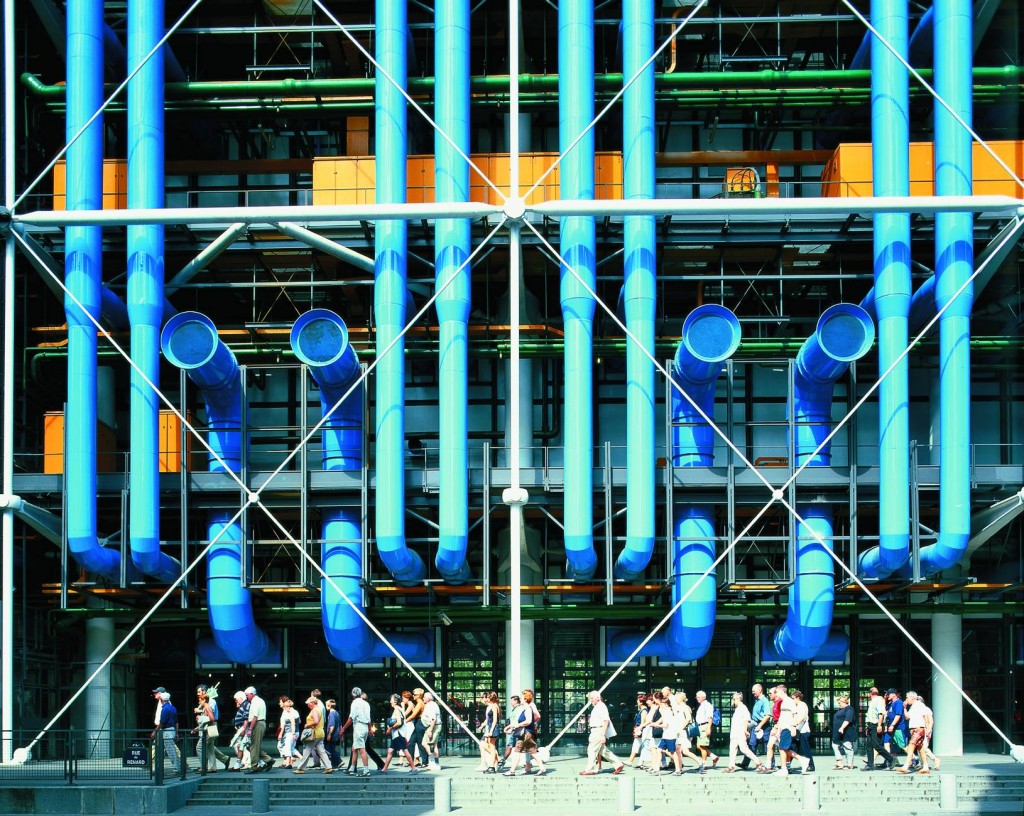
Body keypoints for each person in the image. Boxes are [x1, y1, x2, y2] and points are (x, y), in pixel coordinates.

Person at [579, 690, 624, 776]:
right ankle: (618, 764)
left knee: (592, 750)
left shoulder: (601, 707)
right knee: (603, 751)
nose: (590, 700)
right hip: (596, 730)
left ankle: (589, 769)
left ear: (597, 698)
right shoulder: (598, 706)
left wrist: (602, 734)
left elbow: (606, 721)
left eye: (592, 698)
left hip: (598, 730)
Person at [772, 685, 811, 776]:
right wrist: (778, 729)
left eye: (776, 692)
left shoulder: (789, 702)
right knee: (784, 748)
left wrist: (793, 727)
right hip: (785, 727)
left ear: (782, 692)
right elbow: (782, 717)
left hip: (788, 727)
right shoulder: (784, 702)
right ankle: (799, 761)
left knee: (782, 748)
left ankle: (785, 768)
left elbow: (794, 715)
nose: (775, 694)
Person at [896, 691, 935, 775]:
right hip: (915, 729)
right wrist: (904, 708)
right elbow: (907, 717)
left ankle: (906, 766)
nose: (906, 699)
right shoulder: (913, 706)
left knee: (911, 746)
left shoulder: (920, 705)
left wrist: (928, 728)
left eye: (907, 698)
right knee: (920, 749)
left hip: (919, 729)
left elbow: (926, 716)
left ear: (912, 697)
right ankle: (925, 766)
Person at [293, 696, 332, 774]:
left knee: (306, 750)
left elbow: (316, 721)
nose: (308, 705)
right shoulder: (319, 709)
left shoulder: (314, 710)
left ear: (313, 703)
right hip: (320, 733)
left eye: (309, 703)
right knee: (321, 751)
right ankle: (328, 767)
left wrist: (307, 725)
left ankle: (301, 768)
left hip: (314, 733)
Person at [194, 687, 230, 772]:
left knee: (200, 747)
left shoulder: (210, 703)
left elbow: (211, 717)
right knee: (210, 747)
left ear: (204, 692)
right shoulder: (206, 704)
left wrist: (200, 715)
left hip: (210, 726)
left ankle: (204, 766)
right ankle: (215, 765)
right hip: (208, 726)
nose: (198, 694)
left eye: (199, 692)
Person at [724, 691, 761, 772]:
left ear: (739, 699)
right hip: (734, 733)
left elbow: (746, 720)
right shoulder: (737, 709)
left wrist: (745, 730)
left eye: (734, 699)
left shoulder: (743, 708)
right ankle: (731, 766)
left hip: (740, 732)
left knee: (744, 749)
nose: (733, 701)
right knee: (732, 750)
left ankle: (758, 762)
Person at [381, 693, 418, 774]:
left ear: (395, 701)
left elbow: (399, 722)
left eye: (391, 699)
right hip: (398, 734)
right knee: (390, 751)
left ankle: (414, 768)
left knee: (405, 750)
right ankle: (384, 769)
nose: (390, 701)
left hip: (398, 734)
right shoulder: (400, 708)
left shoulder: (397, 709)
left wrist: (390, 728)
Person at [341, 686, 374, 777]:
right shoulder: (366, 704)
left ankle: (366, 770)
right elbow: (368, 718)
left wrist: (343, 728)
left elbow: (351, 717)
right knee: (354, 748)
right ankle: (352, 768)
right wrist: (370, 729)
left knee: (361, 749)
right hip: (365, 727)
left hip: (358, 726)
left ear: (353, 694)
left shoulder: (354, 703)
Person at [242, 686, 275, 774]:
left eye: (247, 695)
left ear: (252, 694)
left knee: (253, 746)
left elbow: (255, 717)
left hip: (257, 724)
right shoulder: (258, 701)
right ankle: (268, 759)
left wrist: (250, 729)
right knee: (253, 746)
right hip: (259, 723)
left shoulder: (256, 702)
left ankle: (254, 766)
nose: (246, 697)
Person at [863, 686, 894, 771]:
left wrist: (879, 725)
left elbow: (881, 713)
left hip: (876, 725)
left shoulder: (878, 701)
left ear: (870, 693)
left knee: (877, 745)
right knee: (869, 746)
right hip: (870, 725)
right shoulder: (872, 702)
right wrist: (867, 727)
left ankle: (891, 759)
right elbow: (870, 716)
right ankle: (870, 765)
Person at [741, 683, 771, 770]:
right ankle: (745, 763)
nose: (752, 693)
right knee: (752, 744)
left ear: (760, 690)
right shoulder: (757, 700)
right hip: (755, 724)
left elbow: (767, 715)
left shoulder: (764, 701)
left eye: (754, 691)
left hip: (763, 725)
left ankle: (771, 764)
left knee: (767, 745)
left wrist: (760, 725)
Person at [693, 690, 720, 773]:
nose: (697, 698)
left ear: (703, 697)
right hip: (700, 726)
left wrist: (708, 728)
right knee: (699, 746)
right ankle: (713, 756)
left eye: (698, 697)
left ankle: (703, 764)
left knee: (701, 745)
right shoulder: (702, 705)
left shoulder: (707, 705)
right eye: (696, 697)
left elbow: (710, 717)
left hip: (704, 726)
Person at [155, 691, 180, 774]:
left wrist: (155, 731)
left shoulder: (165, 709)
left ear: (162, 699)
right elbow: (176, 722)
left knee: (170, 750)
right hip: (172, 730)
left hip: (167, 731)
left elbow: (162, 722)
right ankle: (176, 767)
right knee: (170, 749)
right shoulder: (173, 708)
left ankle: (176, 768)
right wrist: (176, 733)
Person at [831, 694, 857, 769]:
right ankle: (839, 762)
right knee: (835, 745)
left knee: (847, 747)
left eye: (839, 703)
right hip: (837, 733)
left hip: (846, 732)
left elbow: (848, 720)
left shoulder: (849, 709)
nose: (839, 704)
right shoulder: (840, 710)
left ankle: (849, 764)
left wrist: (842, 728)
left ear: (844, 702)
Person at [792, 690, 815, 772]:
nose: (792, 700)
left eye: (793, 698)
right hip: (798, 730)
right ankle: (787, 764)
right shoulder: (797, 706)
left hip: (803, 731)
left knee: (805, 749)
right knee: (793, 747)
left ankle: (811, 765)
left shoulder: (802, 705)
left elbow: (802, 717)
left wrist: (794, 724)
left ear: (798, 698)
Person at [478, 691, 501, 773]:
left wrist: (491, 731)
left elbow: (495, 720)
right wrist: (482, 725)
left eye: (487, 697)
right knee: (487, 745)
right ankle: (496, 762)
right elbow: (488, 719)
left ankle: (493, 765)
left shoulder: (494, 706)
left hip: (493, 728)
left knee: (491, 746)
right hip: (490, 728)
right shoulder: (490, 706)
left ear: (490, 697)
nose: (485, 699)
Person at [276, 697, 302, 768]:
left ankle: (288, 763)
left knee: (287, 747)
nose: (284, 708)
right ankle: (301, 759)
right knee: (292, 748)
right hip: (296, 732)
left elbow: (292, 723)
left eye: (284, 707)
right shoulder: (296, 711)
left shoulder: (290, 713)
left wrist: (292, 734)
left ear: (287, 707)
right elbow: (299, 721)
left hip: (290, 732)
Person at [228, 691, 250, 771]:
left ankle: (244, 762)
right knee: (240, 745)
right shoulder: (244, 705)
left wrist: (244, 729)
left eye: (236, 699)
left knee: (239, 745)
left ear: (241, 698)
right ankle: (242, 762)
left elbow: (246, 718)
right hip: (241, 727)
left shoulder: (246, 704)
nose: (236, 701)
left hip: (243, 727)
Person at [421, 691, 442, 770]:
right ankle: (433, 762)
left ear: (429, 698)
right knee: (426, 743)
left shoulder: (431, 706)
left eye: (424, 697)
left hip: (433, 727)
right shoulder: (430, 705)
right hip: (432, 727)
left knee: (431, 745)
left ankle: (434, 763)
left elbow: (433, 719)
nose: (423, 698)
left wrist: (430, 730)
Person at [885, 689, 909, 755]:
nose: (887, 696)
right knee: (886, 742)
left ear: (894, 694)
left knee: (902, 745)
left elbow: (898, 715)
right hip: (890, 727)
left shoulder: (898, 702)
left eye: (888, 694)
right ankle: (889, 759)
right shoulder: (890, 703)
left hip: (898, 727)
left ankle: (913, 757)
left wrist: (892, 725)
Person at [324, 699, 342, 769]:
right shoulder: (337, 713)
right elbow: (340, 724)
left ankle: (339, 760)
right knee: (331, 748)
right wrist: (340, 733)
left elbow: (332, 725)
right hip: (336, 734)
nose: (326, 707)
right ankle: (334, 764)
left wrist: (329, 734)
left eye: (326, 706)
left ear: (329, 706)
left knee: (329, 749)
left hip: (333, 734)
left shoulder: (331, 713)